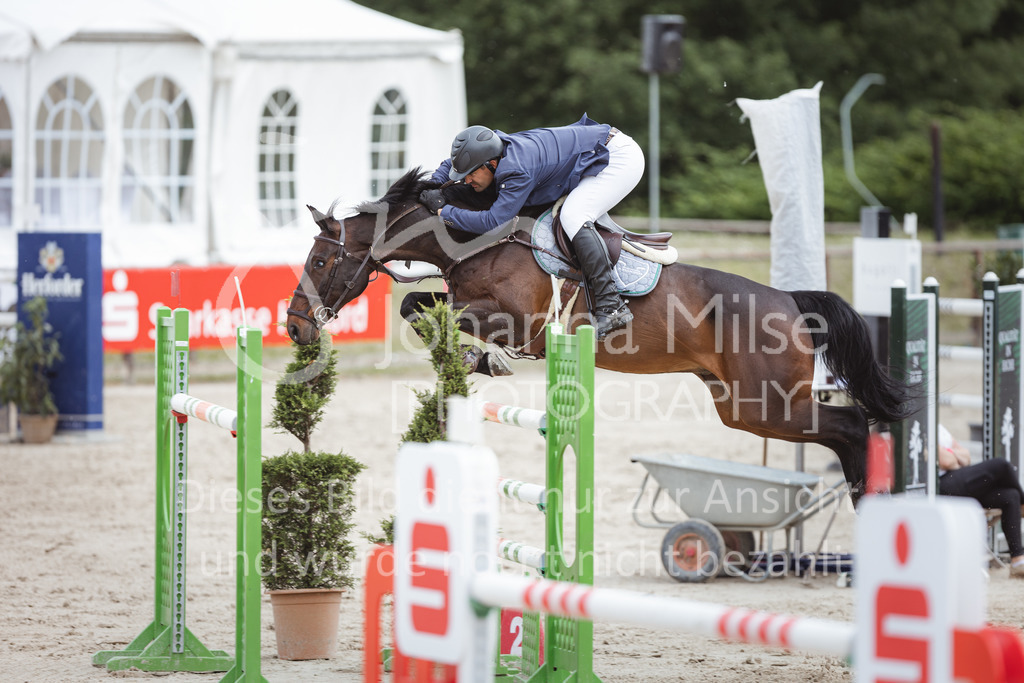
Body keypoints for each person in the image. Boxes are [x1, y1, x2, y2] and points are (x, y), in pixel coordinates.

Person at [418, 114, 645, 340]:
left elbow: (492, 221)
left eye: (471, 175)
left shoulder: (516, 170)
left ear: (492, 164)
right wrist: (434, 185)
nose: (466, 181)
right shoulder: (490, 150)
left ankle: (611, 304)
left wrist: (442, 211)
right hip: (596, 147)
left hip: (617, 158)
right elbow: (451, 164)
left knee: (574, 215)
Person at [937, 424, 1024, 578]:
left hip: (958, 480)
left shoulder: (940, 427)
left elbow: (967, 456)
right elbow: (946, 461)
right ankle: (1023, 506)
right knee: (1001, 465)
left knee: (1011, 496)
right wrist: (955, 457)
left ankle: (1017, 560)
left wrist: (951, 455)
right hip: (941, 484)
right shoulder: (924, 421)